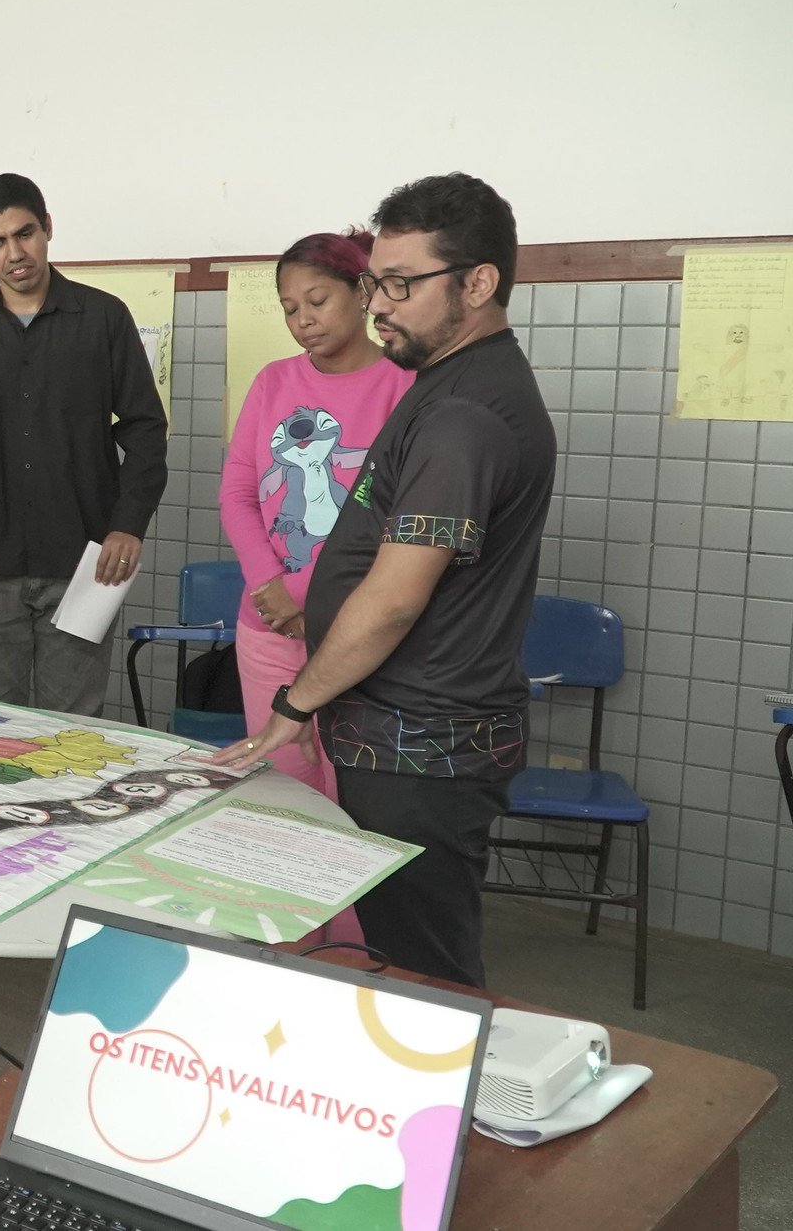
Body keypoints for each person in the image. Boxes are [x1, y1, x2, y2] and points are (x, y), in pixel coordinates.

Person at [221, 173, 552, 989]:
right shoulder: (445, 383)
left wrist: (297, 704)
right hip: (398, 734)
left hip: (426, 748)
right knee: (397, 962)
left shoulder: (465, 415)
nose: (381, 305)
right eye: (378, 282)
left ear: (477, 283)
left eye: (402, 285)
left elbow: (398, 594)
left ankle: (451, 1115)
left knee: (425, 977)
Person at [0, 173, 169, 716]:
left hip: (86, 566)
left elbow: (145, 427)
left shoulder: (102, 319)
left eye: (25, 234)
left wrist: (128, 523)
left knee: (73, 727)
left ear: (48, 228)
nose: (15, 253)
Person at [219, 228, 413, 945]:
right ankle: (293, 941)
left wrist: (305, 591)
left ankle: (354, 952)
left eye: (318, 300)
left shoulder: (403, 385)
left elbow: (392, 518)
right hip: (265, 628)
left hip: (356, 630)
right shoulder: (273, 382)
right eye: (289, 306)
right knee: (287, 794)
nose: (303, 319)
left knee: (354, 796)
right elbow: (238, 492)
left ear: (364, 293)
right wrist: (269, 584)